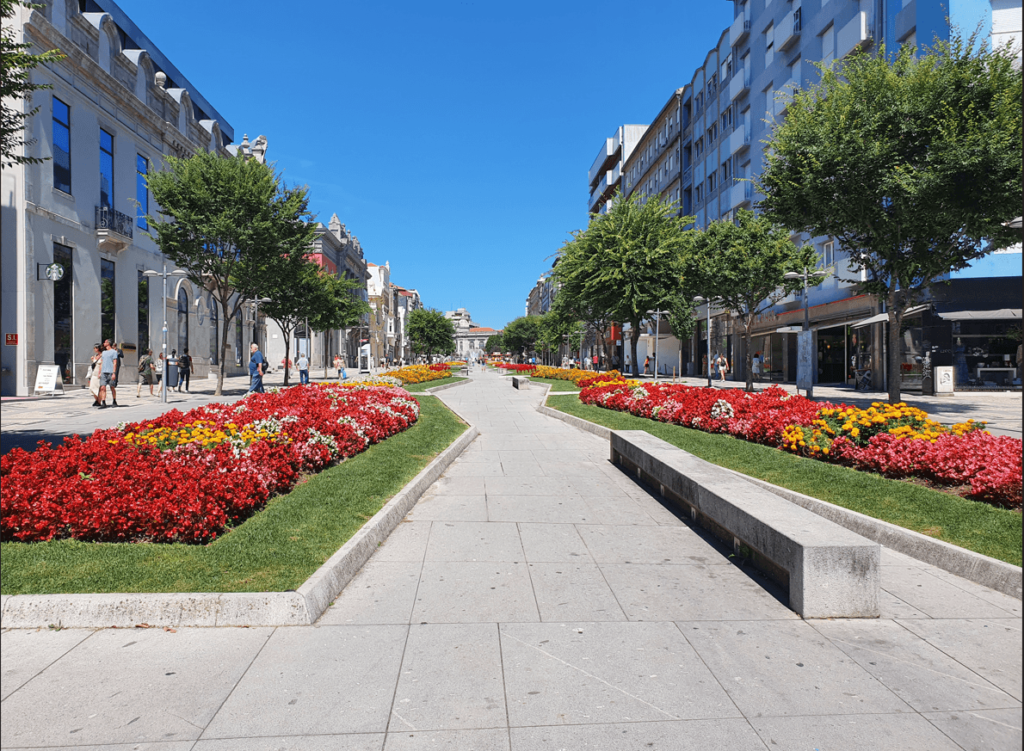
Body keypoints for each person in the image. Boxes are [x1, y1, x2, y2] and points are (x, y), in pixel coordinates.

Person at [97, 339, 119, 407]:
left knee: (112, 387)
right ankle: (103, 402)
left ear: (108, 343)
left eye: (105, 342)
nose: (104, 343)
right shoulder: (104, 353)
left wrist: (114, 373)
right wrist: (99, 372)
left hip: (110, 372)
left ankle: (114, 400)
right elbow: (102, 363)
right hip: (103, 372)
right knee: (103, 387)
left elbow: (115, 363)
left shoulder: (114, 352)